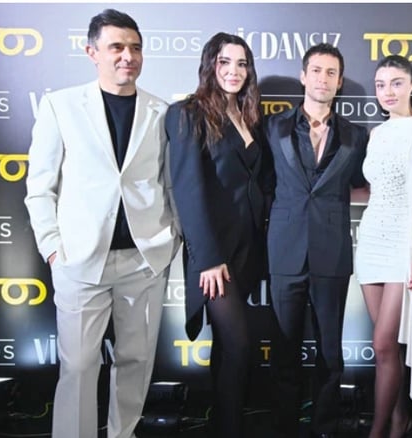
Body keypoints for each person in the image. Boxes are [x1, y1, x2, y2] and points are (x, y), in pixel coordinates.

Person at [24, 9, 179, 438]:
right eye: (116, 47)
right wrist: (52, 247)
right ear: (92, 52)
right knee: (77, 366)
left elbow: (171, 184)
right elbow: (40, 186)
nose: (128, 56)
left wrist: (171, 241)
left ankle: (122, 434)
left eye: (135, 47)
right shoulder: (60, 106)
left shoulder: (162, 112)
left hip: (145, 259)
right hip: (79, 259)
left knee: (136, 362)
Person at [165, 32, 272, 437]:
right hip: (214, 253)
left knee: (229, 348)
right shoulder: (187, 113)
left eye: (242, 63)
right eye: (225, 62)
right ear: (210, 64)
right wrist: (208, 258)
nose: (234, 71)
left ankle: (226, 426)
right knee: (240, 344)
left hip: (248, 248)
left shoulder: (249, 116)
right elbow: (187, 190)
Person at [265, 43, 368, 438]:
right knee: (284, 350)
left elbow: (362, 184)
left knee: (330, 352)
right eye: (316, 71)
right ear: (303, 76)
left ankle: (325, 428)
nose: (323, 79)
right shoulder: (273, 127)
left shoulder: (356, 136)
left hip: (332, 252)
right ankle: (283, 427)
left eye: (331, 73)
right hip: (284, 252)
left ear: (339, 82)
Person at [354, 55, 412, 438]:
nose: (387, 91)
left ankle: (378, 432)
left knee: (383, 344)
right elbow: (374, 191)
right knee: (387, 349)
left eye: (396, 83)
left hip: (405, 247)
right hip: (371, 243)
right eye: (380, 85)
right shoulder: (375, 135)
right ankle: (399, 417)